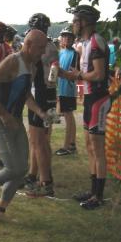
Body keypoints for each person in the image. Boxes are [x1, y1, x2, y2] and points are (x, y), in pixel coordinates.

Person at [0, 29, 50, 221]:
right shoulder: (13, 61)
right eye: (40, 48)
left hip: (15, 120)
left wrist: (40, 112)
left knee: (22, 168)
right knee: (13, 167)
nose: (43, 52)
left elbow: (25, 94)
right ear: (28, 45)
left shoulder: (32, 66)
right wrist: (4, 114)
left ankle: (0, 211)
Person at [66, 5, 112, 210]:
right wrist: (70, 76)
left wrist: (78, 75)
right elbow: (84, 74)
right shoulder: (84, 43)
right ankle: (93, 191)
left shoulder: (95, 41)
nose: (73, 25)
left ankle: (98, 196)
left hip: (99, 99)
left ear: (83, 22)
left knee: (98, 149)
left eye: (75, 21)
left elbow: (99, 74)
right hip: (89, 98)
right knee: (89, 146)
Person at [23, 12, 60, 198]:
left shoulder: (39, 45)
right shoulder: (52, 45)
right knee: (41, 140)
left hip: (40, 93)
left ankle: (45, 182)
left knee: (38, 142)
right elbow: (55, 68)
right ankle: (34, 175)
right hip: (50, 93)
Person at [55, 27, 79, 156]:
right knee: (68, 116)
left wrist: (60, 72)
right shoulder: (61, 52)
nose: (67, 39)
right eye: (64, 36)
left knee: (69, 117)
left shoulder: (75, 53)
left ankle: (68, 146)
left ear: (73, 39)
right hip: (61, 89)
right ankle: (72, 144)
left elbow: (73, 74)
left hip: (69, 89)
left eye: (69, 37)